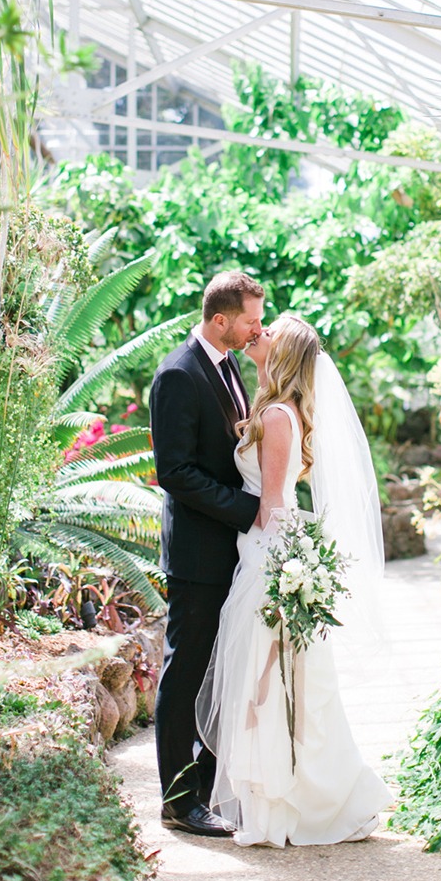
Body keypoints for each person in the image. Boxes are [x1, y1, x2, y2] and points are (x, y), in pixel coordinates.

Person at [196, 314, 392, 847]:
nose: (259, 334)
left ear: (284, 354)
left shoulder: (279, 415)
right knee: (272, 681)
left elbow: (274, 503)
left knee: (270, 682)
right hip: (263, 553)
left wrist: (281, 571)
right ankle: (277, 794)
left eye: (270, 332)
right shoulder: (271, 403)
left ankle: (294, 800)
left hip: (268, 557)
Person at [150, 271, 265, 837]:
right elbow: (174, 471)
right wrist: (247, 509)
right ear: (220, 320)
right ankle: (177, 800)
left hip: (232, 550)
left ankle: (210, 787)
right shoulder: (178, 373)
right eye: (249, 320)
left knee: (221, 673)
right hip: (198, 554)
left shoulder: (228, 362)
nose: (257, 329)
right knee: (186, 671)